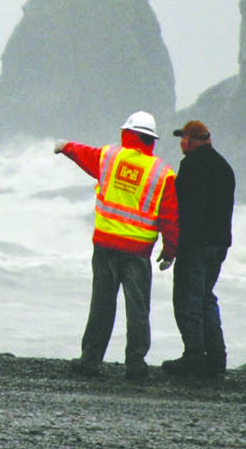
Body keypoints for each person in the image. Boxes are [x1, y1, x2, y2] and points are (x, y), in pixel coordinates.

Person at [55, 109, 178, 382]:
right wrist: (170, 251)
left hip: (105, 248)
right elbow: (170, 217)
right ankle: (135, 365)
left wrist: (64, 147)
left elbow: (84, 154)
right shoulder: (163, 173)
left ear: (128, 133)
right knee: (137, 309)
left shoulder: (110, 157)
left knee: (101, 305)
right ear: (151, 139)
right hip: (137, 253)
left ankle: (90, 361)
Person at [160, 118, 234, 378]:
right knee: (206, 297)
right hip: (219, 244)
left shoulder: (191, 165)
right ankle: (216, 358)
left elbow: (184, 209)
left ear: (192, 140)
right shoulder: (224, 167)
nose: (181, 142)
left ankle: (193, 355)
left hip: (195, 245)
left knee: (187, 298)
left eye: (183, 138)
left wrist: (173, 245)